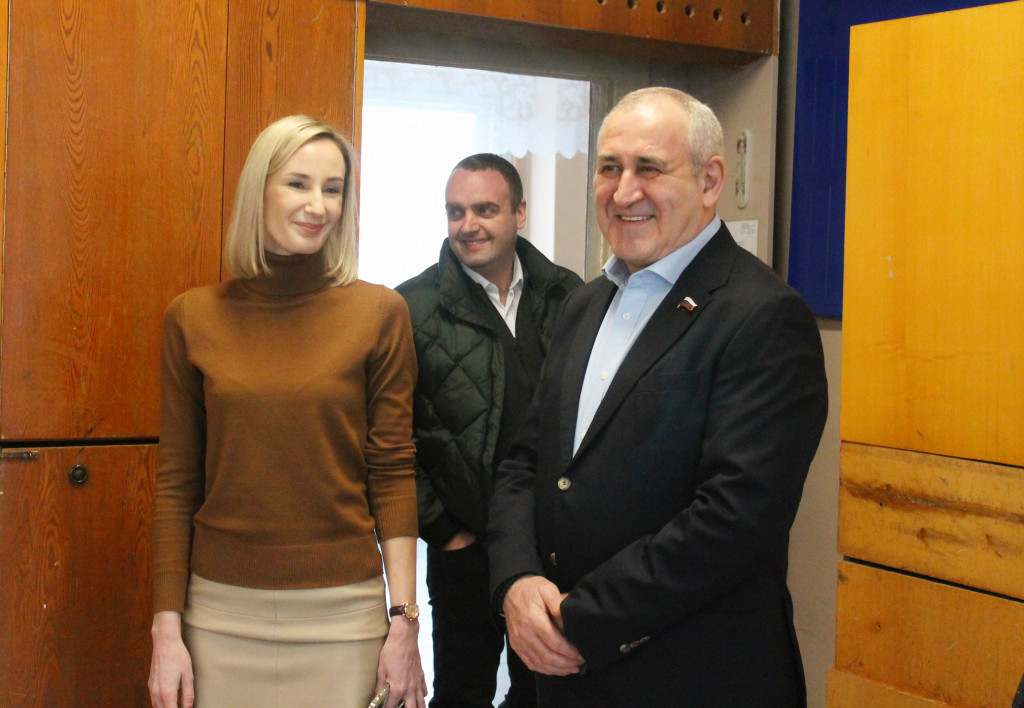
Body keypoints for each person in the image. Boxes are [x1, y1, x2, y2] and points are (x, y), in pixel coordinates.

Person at [487, 87, 829, 707]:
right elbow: (526, 463)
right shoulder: (584, 304)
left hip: (692, 678)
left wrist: (580, 619)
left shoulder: (763, 317)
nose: (624, 192)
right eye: (609, 168)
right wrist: (516, 580)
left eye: (649, 168)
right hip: (561, 675)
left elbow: (735, 518)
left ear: (710, 180)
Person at [148, 115, 426, 708]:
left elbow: (393, 474)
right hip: (218, 613)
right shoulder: (192, 317)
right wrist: (165, 632)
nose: (318, 205)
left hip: (345, 616)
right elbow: (176, 483)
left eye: (333, 188)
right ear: (260, 191)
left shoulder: (380, 313)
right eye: (298, 183)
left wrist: (405, 622)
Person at [396, 154, 583, 707]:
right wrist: (443, 531)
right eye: (455, 211)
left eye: (485, 209)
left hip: (550, 550)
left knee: (545, 691)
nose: (468, 225)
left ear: (519, 213)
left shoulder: (570, 297)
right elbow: (386, 439)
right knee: (463, 693)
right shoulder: (410, 308)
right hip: (463, 550)